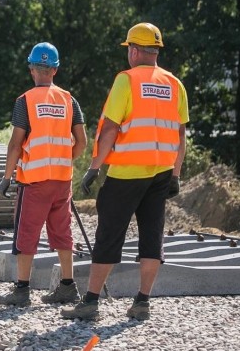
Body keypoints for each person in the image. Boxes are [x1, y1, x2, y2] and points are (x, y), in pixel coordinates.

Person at [61, 22, 188, 321]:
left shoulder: (126, 81)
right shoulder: (174, 83)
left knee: (109, 235)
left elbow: (110, 129)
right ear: (155, 50)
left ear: (133, 50)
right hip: (160, 173)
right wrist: (176, 174)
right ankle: (142, 301)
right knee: (152, 236)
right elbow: (180, 135)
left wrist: (94, 168)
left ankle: (90, 302)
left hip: (127, 172)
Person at [0, 42, 87, 308]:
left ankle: (22, 290)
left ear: (31, 69)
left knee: (26, 232)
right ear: (55, 70)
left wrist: (6, 176)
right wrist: (62, 160)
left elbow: (15, 143)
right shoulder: (70, 100)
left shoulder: (25, 101)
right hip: (61, 180)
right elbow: (81, 141)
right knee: (62, 231)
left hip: (34, 181)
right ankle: (68, 286)